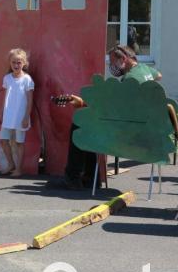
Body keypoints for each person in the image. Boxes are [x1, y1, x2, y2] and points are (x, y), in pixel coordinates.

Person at [57, 45, 164, 190]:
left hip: (127, 134)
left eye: (113, 62)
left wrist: (83, 103)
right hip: (145, 129)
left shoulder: (129, 79)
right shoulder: (145, 69)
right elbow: (159, 75)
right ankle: (91, 178)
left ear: (123, 59)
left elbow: (113, 108)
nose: (112, 66)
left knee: (80, 125)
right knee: (90, 126)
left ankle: (74, 176)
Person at [0, 49, 35, 177]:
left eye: (19, 62)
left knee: (19, 142)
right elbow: (5, 97)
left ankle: (19, 169)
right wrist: (2, 113)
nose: (16, 65)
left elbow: (30, 100)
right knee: (3, 140)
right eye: (13, 62)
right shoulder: (7, 78)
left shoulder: (27, 79)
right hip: (8, 115)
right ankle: (11, 164)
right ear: (10, 63)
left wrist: (26, 116)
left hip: (21, 116)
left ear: (24, 63)